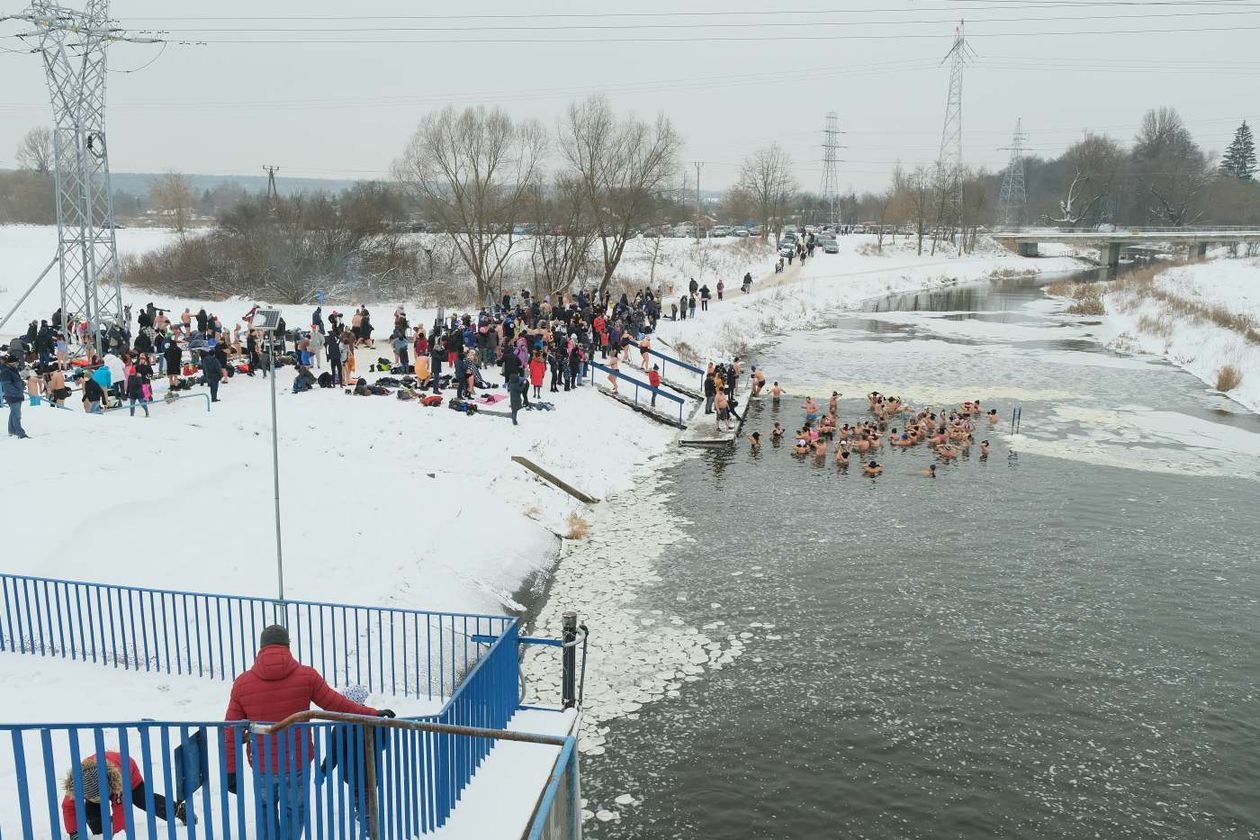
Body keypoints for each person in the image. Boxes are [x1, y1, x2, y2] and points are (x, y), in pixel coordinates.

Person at [223, 625, 393, 840]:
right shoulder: (307, 676)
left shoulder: (242, 683)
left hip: (263, 764)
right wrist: (373, 713)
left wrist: (231, 771)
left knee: (265, 811)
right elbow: (338, 705)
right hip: (298, 762)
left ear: (261, 648)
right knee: (295, 811)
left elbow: (229, 731)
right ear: (287, 646)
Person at [61, 752, 186, 837]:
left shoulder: (117, 782)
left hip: (128, 774)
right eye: (96, 799)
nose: (100, 801)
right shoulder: (78, 785)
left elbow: (121, 812)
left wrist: (118, 835)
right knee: (91, 810)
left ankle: (178, 810)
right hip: (96, 781)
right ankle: (101, 832)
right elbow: (68, 807)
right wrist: (74, 833)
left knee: (143, 799)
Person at [2, 355, 29, 439]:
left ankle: (12, 430)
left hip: (17, 394)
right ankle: (20, 433)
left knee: (13, 413)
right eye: (17, 362)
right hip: (12, 396)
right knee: (17, 415)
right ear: (12, 363)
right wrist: (17, 391)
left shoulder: (13, 369)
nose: (18, 364)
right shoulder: (5, 372)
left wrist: (22, 384)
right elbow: (7, 385)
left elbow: (17, 380)